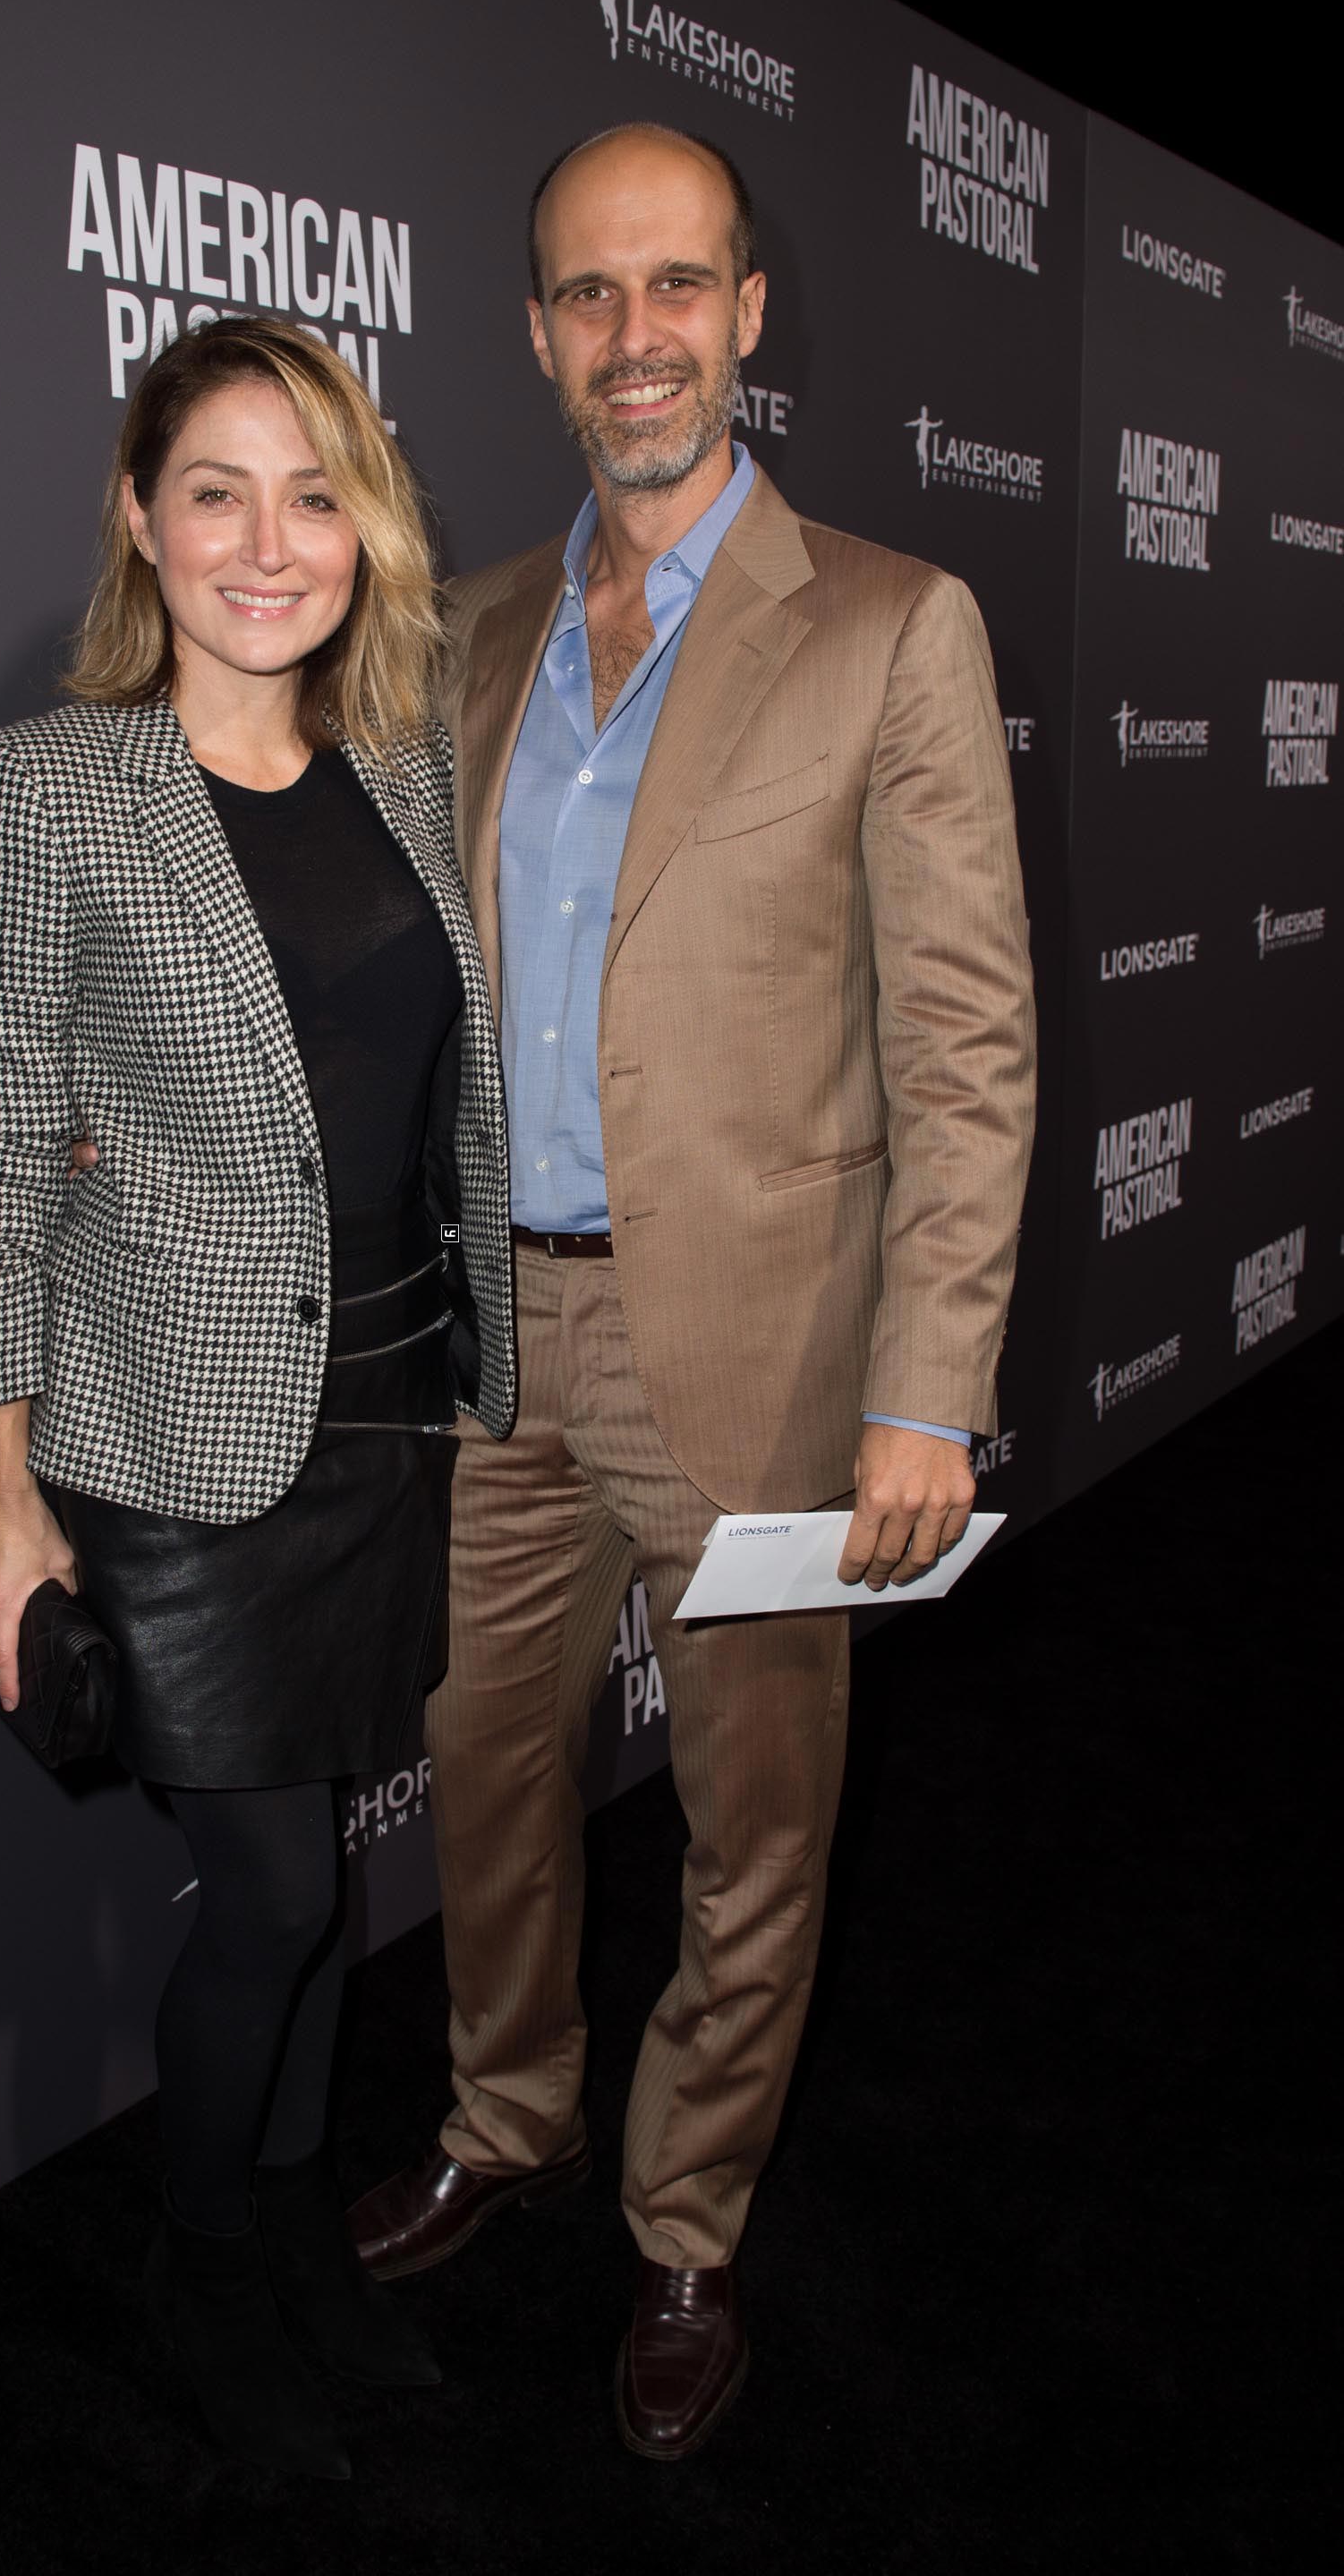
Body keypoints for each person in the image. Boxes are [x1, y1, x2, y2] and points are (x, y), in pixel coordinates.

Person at [347, 124, 1037, 2462]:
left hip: (749, 1353)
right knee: (480, 1775)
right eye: (583, 295)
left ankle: (684, 2221)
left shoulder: (886, 624)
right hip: (493, 1340)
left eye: (674, 288)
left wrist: (925, 1390)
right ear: (538, 336)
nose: (631, 335)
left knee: (752, 1822)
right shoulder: (472, 634)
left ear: (745, 314)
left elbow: (962, 1043)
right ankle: (499, 2111)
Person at [0, 318, 515, 2481]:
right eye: (217, 491)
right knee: (273, 1897)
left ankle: (284, 2232)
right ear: (140, 519)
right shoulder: (45, 787)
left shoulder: (416, 771)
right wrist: (0, 1495)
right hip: (168, 1447)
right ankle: (202, 2258)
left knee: (328, 1888)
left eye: (314, 493)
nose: (270, 542)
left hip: (383, 1426)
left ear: (364, 523)